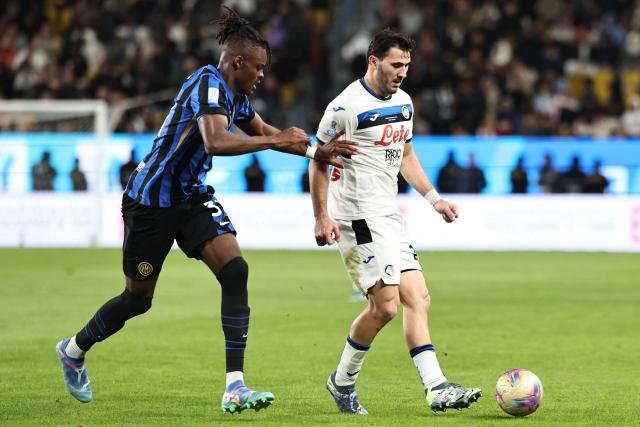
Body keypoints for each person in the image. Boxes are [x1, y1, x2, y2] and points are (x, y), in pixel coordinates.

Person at [55, 7, 356, 414]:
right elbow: (216, 141)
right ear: (237, 62)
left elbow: (267, 133)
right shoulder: (207, 84)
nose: (262, 75)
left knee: (235, 271)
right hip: (151, 203)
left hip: (191, 197)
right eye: (259, 67)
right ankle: (74, 350)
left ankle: (235, 386)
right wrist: (274, 142)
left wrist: (317, 150)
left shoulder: (236, 97)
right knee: (138, 299)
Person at [309, 28, 481, 415]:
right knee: (385, 307)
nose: (403, 71)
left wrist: (434, 199)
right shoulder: (344, 109)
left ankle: (436, 387)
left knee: (418, 298)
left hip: (387, 214)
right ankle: (342, 382)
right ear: (374, 62)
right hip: (358, 217)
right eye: (396, 64)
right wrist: (321, 215)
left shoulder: (404, 102)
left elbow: (405, 156)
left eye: (407, 64)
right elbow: (318, 159)